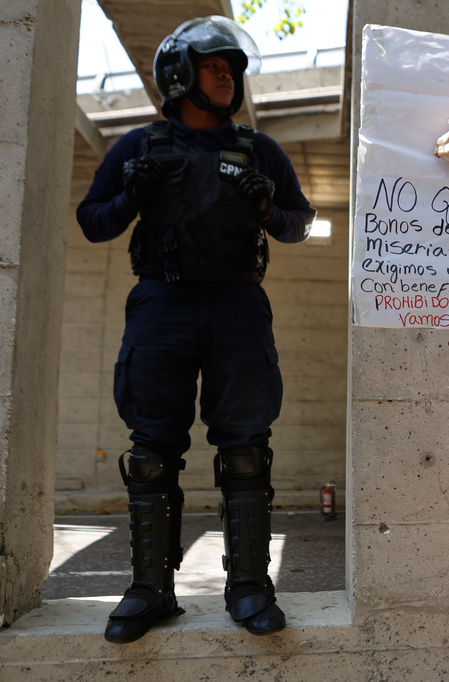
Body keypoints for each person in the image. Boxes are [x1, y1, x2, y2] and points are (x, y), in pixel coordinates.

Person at [76, 16, 315, 643]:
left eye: (232, 69)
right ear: (178, 72)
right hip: (162, 302)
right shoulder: (139, 146)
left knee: (244, 448)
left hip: (238, 305)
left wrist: (266, 206)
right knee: (151, 452)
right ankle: (150, 589)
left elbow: (298, 224)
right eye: (215, 66)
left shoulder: (259, 150)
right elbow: (93, 222)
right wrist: (132, 196)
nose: (227, 77)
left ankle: (249, 587)